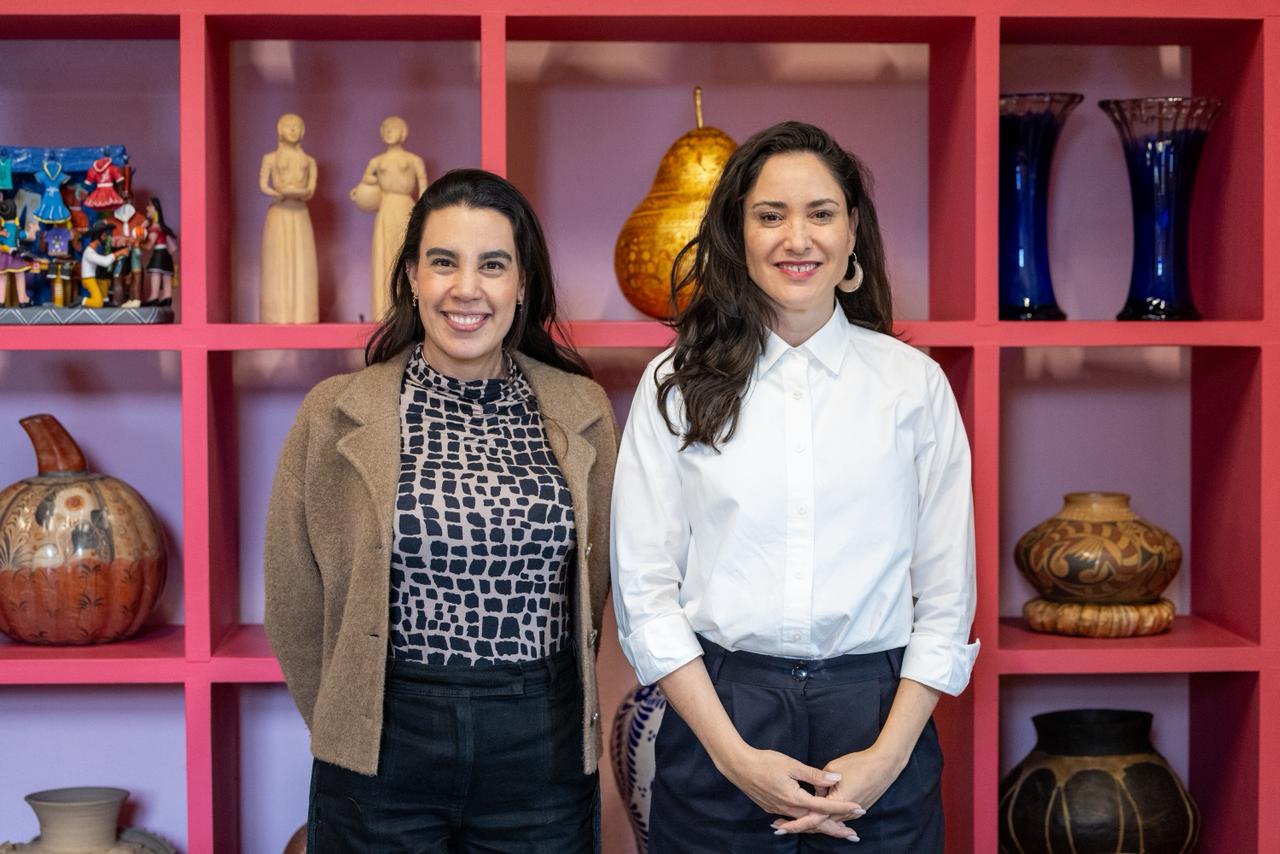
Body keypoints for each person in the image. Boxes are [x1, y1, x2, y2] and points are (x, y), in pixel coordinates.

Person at [611, 121, 979, 852]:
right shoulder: (674, 383)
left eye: (821, 213)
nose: (797, 238)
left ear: (852, 234)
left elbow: (945, 600)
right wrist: (735, 759)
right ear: (738, 235)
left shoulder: (914, 386)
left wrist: (885, 761)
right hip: (721, 716)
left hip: (879, 717)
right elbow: (645, 594)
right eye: (770, 216)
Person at [265, 168, 617, 852]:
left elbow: (595, 581)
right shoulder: (332, 413)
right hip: (380, 745)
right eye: (444, 262)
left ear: (522, 284)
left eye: (493, 265)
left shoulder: (583, 410)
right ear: (412, 278)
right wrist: (346, 718)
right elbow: (292, 599)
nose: (466, 288)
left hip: (541, 748)